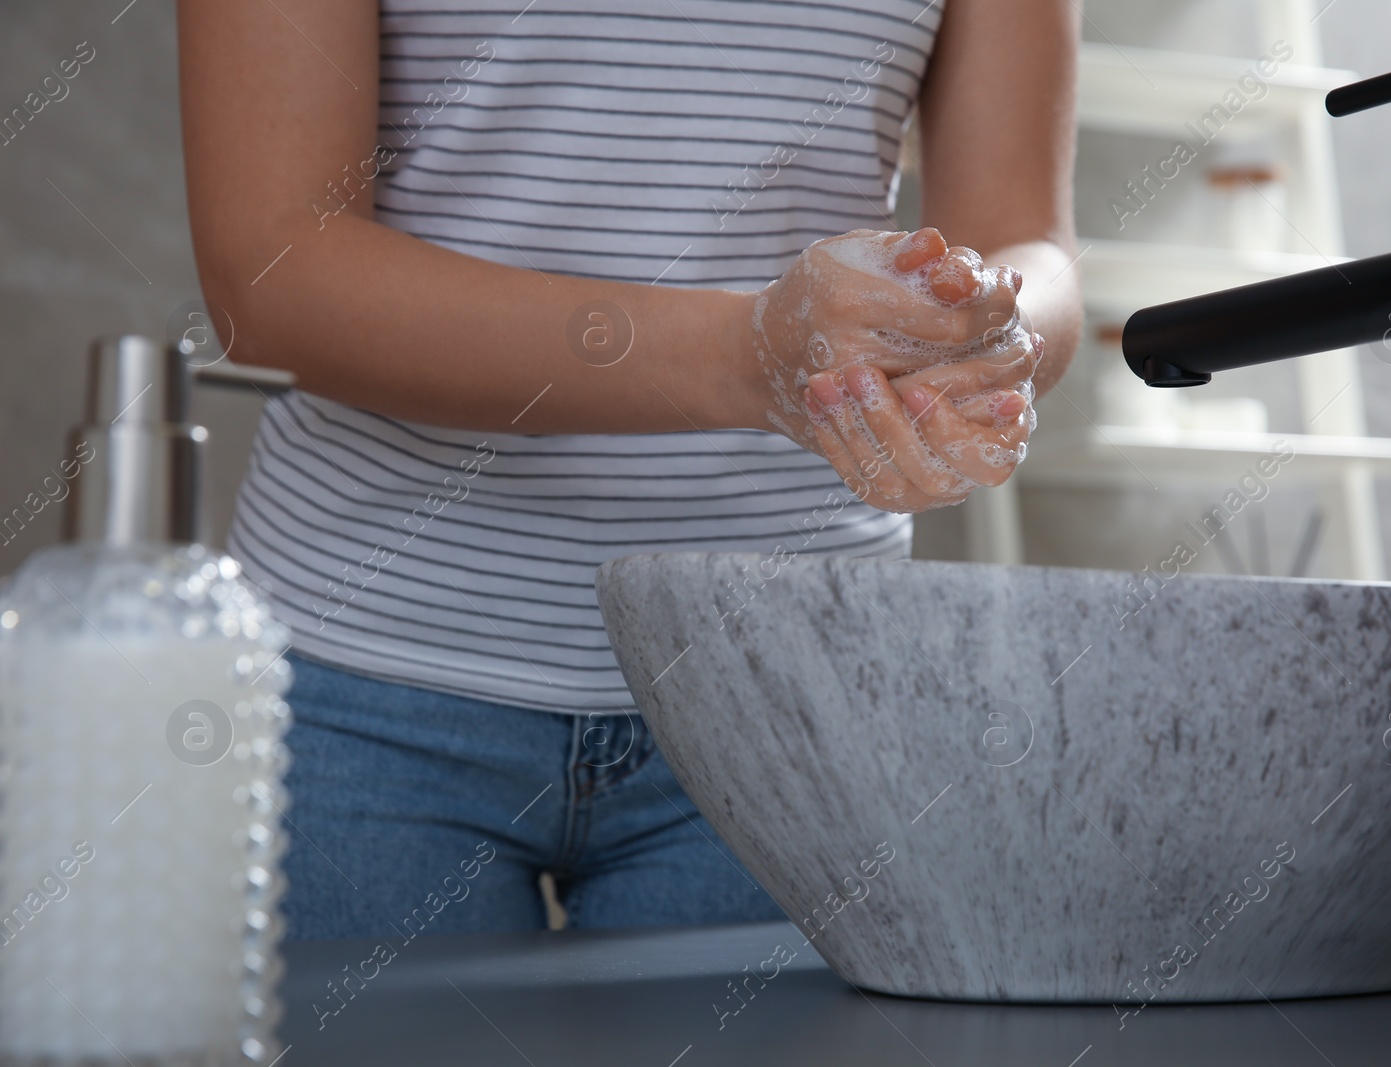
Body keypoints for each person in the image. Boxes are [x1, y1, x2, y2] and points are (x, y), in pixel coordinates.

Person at [176, 0, 1082, 940]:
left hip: (796, 692)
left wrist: (984, 326)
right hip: (365, 680)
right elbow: (269, 270)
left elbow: (1029, 245)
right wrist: (744, 358)